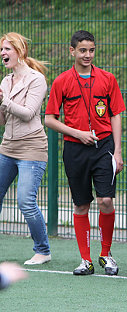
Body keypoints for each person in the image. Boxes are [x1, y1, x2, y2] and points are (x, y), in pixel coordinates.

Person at [45, 30, 125, 276]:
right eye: (82, 50)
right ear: (72, 51)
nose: (87, 54)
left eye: (91, 50)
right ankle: (85, 259)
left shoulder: (108, 78)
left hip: (104, 147)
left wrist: (118, 151)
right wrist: (77, 133)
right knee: (82, 205)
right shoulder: (61, 81)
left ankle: (106, 254)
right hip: (75, 149)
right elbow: (49, 119)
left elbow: (116, 114)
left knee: (106, 200)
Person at [0, 32, 52, 265]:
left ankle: (43, 250)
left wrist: (5, 102)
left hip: (32, 147)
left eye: (7, 49)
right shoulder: (5, 81)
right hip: (7, 147)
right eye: (2, 49)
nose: (3, 53)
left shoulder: (36, 79)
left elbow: (29, 112)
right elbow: (3, 120)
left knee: (25, 202)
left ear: (20, 51)